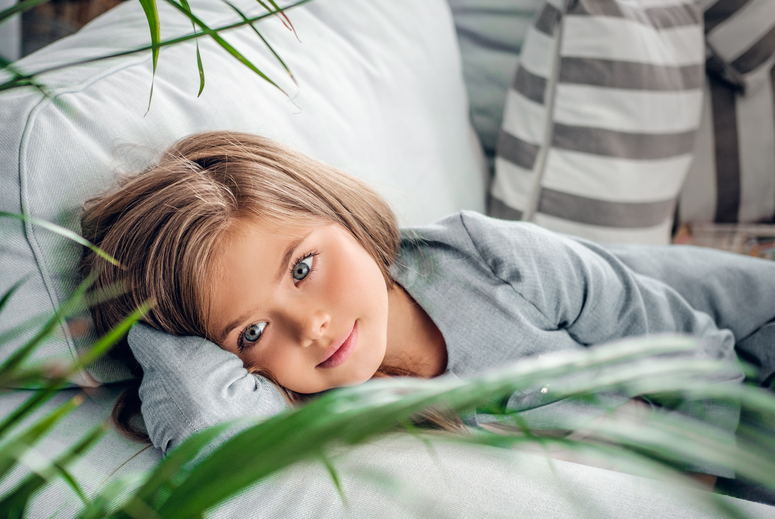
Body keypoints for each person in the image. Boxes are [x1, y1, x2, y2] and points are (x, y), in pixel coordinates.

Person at [78, 131, 775, 494]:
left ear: (339, 214)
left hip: (746, 361)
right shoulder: (309, 409)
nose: (311, 326)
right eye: (253, 330)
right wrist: (153, 312)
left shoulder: (483, 257)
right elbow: (207, 437)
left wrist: (700, 497)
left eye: (303, 268)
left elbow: (697, 349)